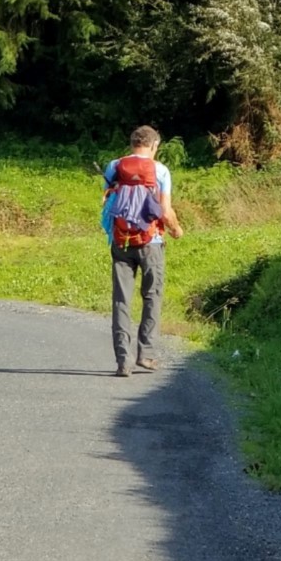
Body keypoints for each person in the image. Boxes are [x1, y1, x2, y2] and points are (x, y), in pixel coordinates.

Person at [101, 125, 183, 378]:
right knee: (152, 296)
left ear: (132, 144)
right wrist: (177, 229)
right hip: (151, 242)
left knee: (121, 300)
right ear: (154, 145)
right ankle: (145, 355)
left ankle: (123, 362)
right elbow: (165, 209)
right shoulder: (160, 170)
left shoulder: (114, 167)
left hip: (121, 241)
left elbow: (108, 200)